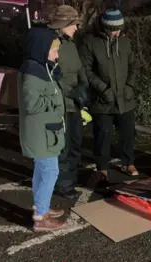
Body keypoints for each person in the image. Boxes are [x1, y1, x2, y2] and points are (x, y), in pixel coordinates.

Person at [79, 8, 139, 180]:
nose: (117, 32)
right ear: (104, 27)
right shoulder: (90, 42)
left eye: (119, 28)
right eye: (114, 29)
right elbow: (86, 70)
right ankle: (102, 166)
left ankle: (128, 162)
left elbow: (134, 66)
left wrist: (129, 86)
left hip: (125, 99)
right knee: (102, 136)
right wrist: (103, 89)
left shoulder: (125, 42)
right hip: (102, 100)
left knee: (128, 134)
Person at [18, 27, 67, 232]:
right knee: (50, 172)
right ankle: (41, 218)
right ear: (41, 49)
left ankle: (41, 207)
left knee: (42, 170)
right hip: (42, 134)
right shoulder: (33, 73)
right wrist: (56, 101)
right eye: (54, 50)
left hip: (44, 132)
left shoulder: (40, 67)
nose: (57, 55)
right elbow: (32, 104)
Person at [47, 5, 88, 200]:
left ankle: (70, 179)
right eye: (74, 24)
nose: (77, 28)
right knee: (62, 148)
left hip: (74, 104)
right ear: (63, 24)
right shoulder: (51, 45)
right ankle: (63, 185)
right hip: (60, 105)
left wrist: (83, 89)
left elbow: (80, 71)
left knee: (75, 144)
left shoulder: (71, 45)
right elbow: (49, 77)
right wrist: (68, 93)